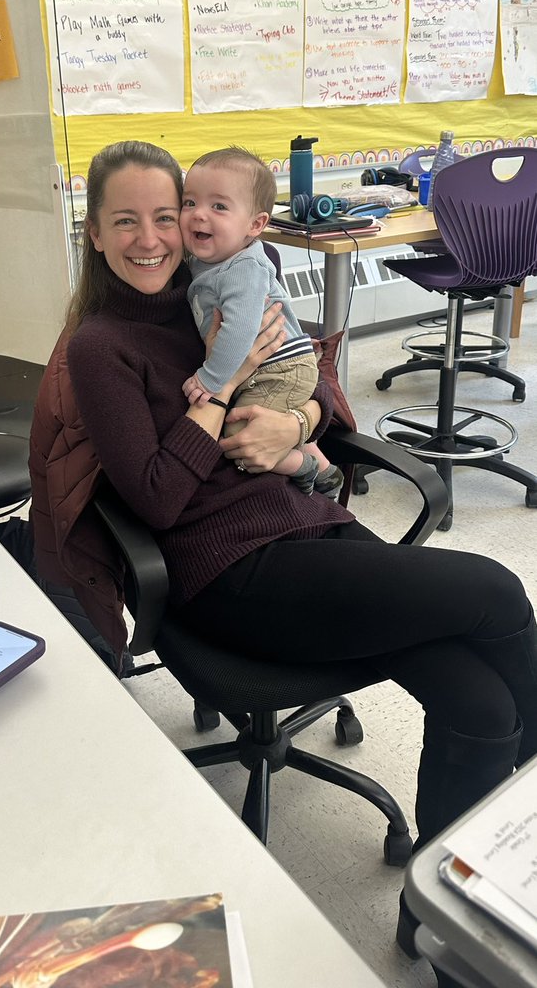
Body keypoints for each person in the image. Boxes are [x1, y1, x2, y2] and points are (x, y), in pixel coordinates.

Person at [31, 139, 537, 988]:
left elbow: (323, 390)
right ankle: (520, 833)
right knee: (493, 588)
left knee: (477, 696)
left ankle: (451, 920)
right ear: (94, 232)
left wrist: (296, 422)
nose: (157, 236)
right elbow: (154, 498)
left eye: (172, 212)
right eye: (129, 220)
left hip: (307, 524)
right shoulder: (102, 347)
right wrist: (223, 391)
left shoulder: (221, 280)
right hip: (231, 572)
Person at [179, 146, 342, 497]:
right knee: (265, 420)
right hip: (270, 366)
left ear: (256, 224)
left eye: (218, 206)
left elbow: (238, 333)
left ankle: (307, 467)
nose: (197, 215)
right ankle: (320, 462)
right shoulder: (209, 259)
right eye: (189, 203)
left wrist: (210, 379)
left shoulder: (244, 268)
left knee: (238, 439)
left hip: (279, 368)